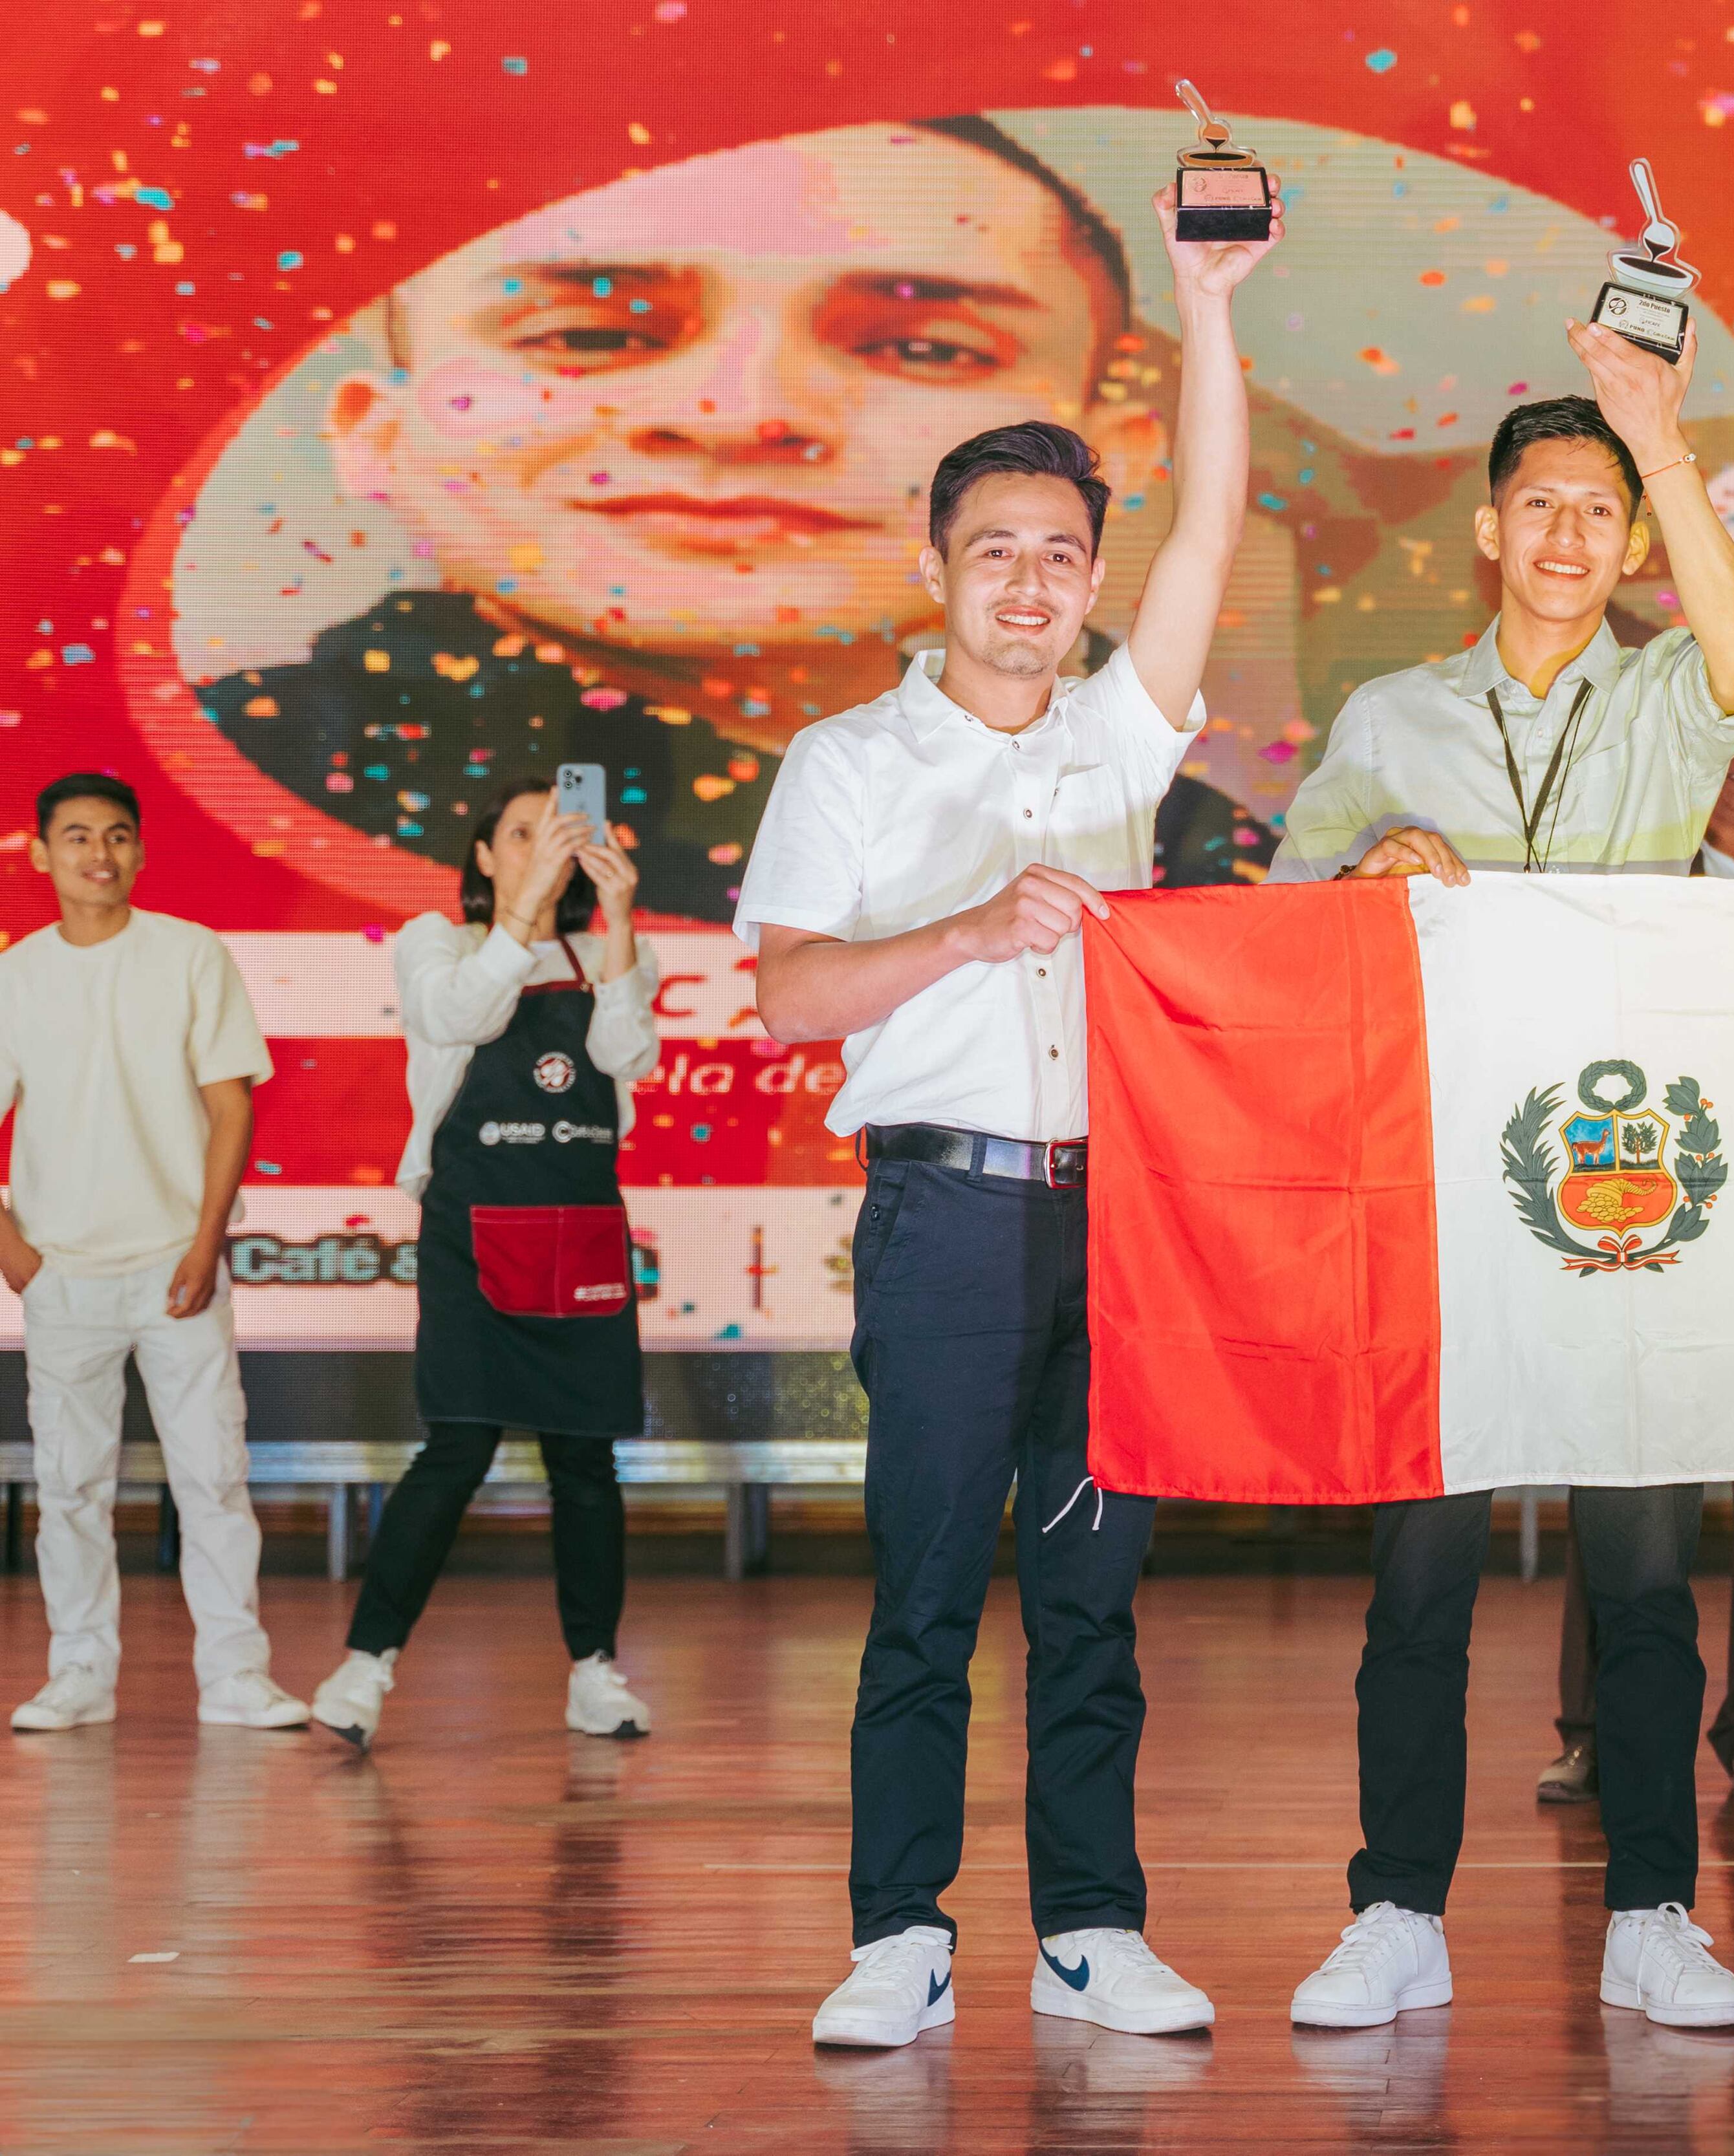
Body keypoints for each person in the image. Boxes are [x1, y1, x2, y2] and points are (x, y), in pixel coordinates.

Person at [739, 178, 1276, 2051]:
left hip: (1113, 1218)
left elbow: (1214, 518)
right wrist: (966, 927)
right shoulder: (854, 759)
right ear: (939, 562)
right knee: (923, 1594)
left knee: (1091, 1595)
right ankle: (900, 1928)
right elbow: (791, 989)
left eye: (1062, 552)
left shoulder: (1121, 740)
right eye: (996, 550)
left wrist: (1207, 301)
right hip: (948, 1221)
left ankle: (1091, 1925)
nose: (1030, 581)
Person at [1268, 330, 1734, 2032]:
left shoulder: (1665, 695)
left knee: (1640, 1573)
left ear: (1639, 540)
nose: (1568, 534)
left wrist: (1661, 435)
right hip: (1441, 1199)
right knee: (1420, 1576)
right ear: (1485, 530)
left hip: (1627, 1193)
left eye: (1602, 511)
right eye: (1538, 504)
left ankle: (1655, 1907)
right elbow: (1290, 909)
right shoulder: (1390, 714)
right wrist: (1363, 868)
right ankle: (1398, 1906)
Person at [199, 118, 1143, 922]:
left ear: (1114, 456)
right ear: (375, 432)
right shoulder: (240, 778)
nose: (738, 415)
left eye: (925, 349)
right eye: (594, 335)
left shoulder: (1177, 833)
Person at [305, 776, 662, 1752]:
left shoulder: (612, 949)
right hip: (471, 1228)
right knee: (456, 1446)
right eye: (524, 831)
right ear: (484, 854)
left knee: (585, 1459)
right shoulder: (439, 941)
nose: (547, 843)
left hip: (581, 1230)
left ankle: (595, 1672)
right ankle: (365, 1666)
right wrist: (519, 916)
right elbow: (457, 1018)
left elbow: (627, 1054)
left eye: (564, 828)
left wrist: (619, 916)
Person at [1539, 655, 1734, 1811]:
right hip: (1649, 1199)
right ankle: (1592, 1728)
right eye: (1729, 731)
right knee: (1623, 1462)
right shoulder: (1632, 867)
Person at [0, 775, 303, 1734]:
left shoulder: (189, 956)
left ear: (141, 850)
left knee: (211, 1473)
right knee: (72, 1485)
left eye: (120, 835)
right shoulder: (16, 975)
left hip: (180, 1264)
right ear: (40, 853)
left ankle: (234, 1675)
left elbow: (230, 1105)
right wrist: (15, 1252)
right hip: (63, 1273)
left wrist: (208, 1242)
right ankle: (80, 1670)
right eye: (79, 835)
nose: (102, 852)